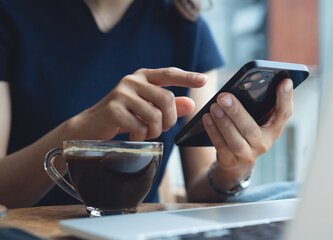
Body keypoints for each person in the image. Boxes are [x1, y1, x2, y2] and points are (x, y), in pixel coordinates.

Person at [0, 0, 294, 208]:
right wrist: (81, 129)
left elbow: (200, 190)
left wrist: (233, 169)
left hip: (136, 231)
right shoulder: (10, 14)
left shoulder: (186, 27)